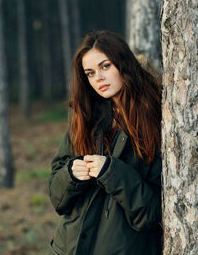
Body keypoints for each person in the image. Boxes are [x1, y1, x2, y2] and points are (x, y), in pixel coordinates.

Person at [48, 30, 162, 255]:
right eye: (90, 73)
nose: (98, 78)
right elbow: (57, 198)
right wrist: (71, 175)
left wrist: (112, 172)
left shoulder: (156, 118)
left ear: (123, 63)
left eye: (105, 66)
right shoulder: (86, 117)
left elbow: (152, 213)